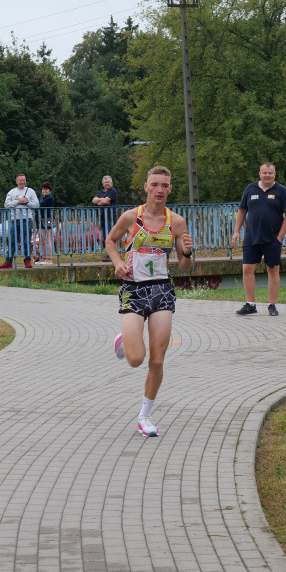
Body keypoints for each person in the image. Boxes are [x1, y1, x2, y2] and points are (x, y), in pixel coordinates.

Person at [106, 166, 194, 438]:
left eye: (164, 185)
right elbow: (110, 240)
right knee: (136, 359)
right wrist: (118, 262)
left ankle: (144, 416)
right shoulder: (130, 217)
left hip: (161, 292)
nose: (159, 190)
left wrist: (189, 253)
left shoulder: (176, 223)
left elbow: (184, 267)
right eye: (154, 184)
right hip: (133, 290)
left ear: (170, 188)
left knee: (156, 360)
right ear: (146, 187)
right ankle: (124, 340)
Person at [231, 162, 286, 317]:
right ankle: (250, 304)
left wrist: (280, 237)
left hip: (272, 239)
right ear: (260, 174)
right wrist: (236, 231)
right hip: (252, 237)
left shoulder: (281, 191)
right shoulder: (250, 189)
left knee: (273, 270)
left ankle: (272, 305)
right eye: (264, 173)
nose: (267, 175)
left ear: (274, 174)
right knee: (247, 269)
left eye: (270, 173)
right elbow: (242, 210)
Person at [2, 174, 38, 269]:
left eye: (24, 180)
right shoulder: (12, 192)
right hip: (14, 220)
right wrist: (18, 201)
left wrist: (27, 202)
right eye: (20, 180)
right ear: (16, 181)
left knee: (26, 240)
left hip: (27, 219)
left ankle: (27, 261)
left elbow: (37, 204)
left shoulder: (30, 191)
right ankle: (8, 261)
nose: (22, 182)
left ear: (25, 181)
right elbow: (6, 204)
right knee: (12, 241)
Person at [92, 175, 119, 253]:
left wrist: (100, 200)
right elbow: (94, 200)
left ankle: (113, 254)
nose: (107, 184)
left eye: (108, 182)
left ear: (111, 183)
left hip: (110, 217)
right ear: (103, 184)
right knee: (105, 236)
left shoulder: (112, 191)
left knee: (111, 236)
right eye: (105, 182)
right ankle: (109, 254)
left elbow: (105, 201)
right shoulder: (101, 192)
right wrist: (101, 200)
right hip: (103, 217)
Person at [38, 182, 56, 263]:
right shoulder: (41, 198)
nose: (44, 191)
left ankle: (49, 258)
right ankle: (44, 257)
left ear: (50, 191)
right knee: (42, 239)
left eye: (46, 189)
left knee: (47, 239)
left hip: (47, 218)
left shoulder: (50, 198)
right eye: (43, 189)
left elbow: (40, 205)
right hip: (41, 219)